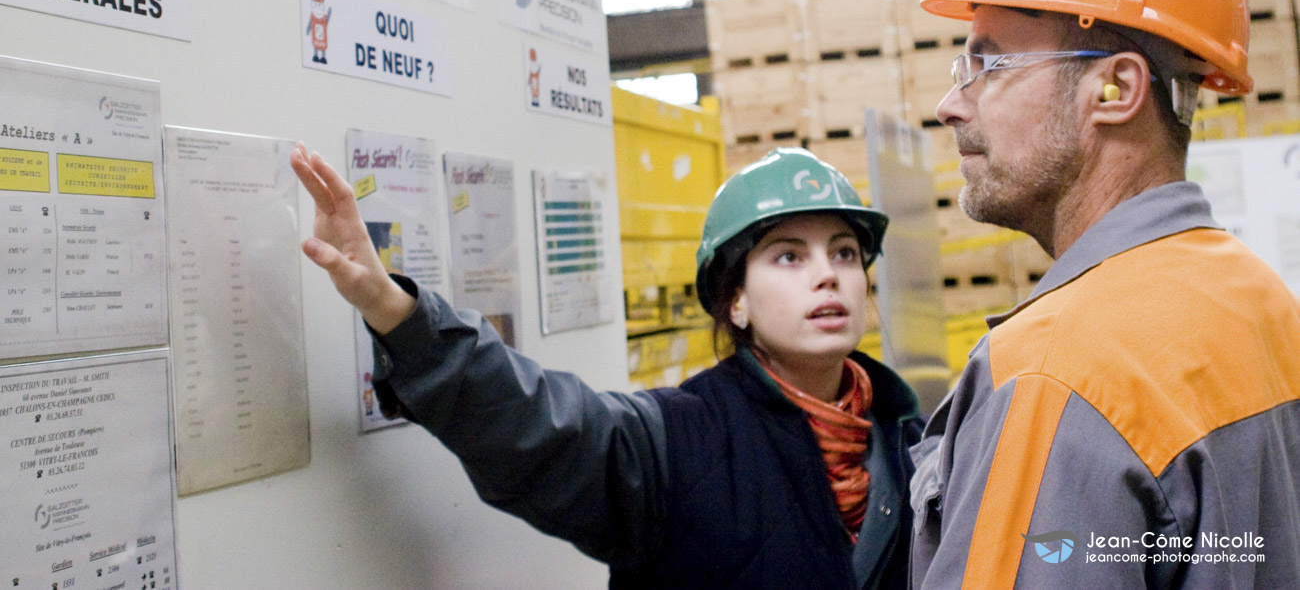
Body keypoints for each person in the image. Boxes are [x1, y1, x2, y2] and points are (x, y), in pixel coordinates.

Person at [291, 143, 923, 588]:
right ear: (735, 300)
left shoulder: (916, 449)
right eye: (789, 256)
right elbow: (535, 421)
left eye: (844, 254)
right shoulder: (673, 442)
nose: (827, 276)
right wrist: (394, 309)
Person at [907, 0, 1300, 588]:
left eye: (987, 63)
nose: (950, 104)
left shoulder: (1056, 370)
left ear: (1115, 90)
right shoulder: (1263, 302)